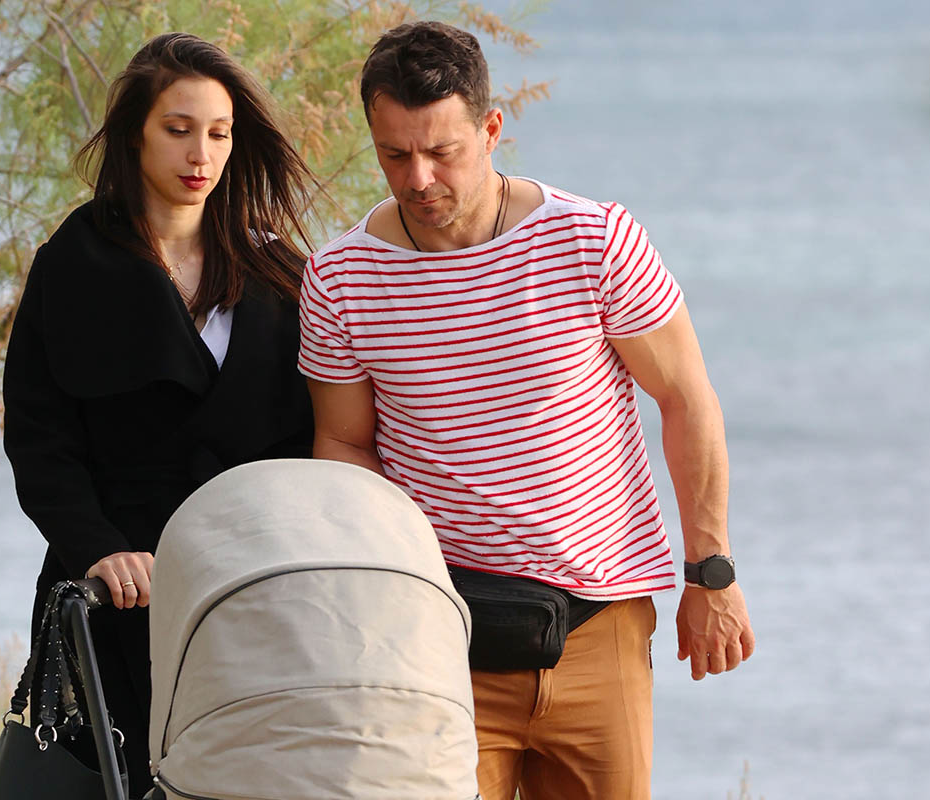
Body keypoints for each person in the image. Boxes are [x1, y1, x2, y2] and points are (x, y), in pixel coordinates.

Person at [298, 20, 755, 800]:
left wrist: (710, 573)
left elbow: (686, 397)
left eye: (441, 151)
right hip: (438, 637)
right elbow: (343, 446)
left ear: (491, 129)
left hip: (599, 630)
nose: (417, 178)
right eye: (394, 154)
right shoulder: (341, 278)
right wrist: (373, 604)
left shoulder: (593, 240)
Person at [3, 32, 315, 797]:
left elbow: (322, 437)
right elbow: (39, 440)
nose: (200, 154)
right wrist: (97, 550)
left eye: (218, 133)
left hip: (253, 595)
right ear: (136, 134)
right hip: (118, 596)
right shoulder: (73, 263)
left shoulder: (281, 270)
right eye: (178, 130)